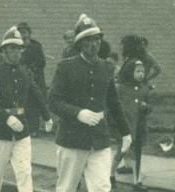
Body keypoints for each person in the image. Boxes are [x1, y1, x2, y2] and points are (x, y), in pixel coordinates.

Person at [48, 14, 131, 192]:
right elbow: (53, 101)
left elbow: (114, 102)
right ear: (79, 44)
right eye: (88, 41)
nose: (93, 45)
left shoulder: (107, 68)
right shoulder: (65, 67)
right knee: (67, 188)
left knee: (101, 187)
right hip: (72, 138)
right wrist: (78, 113)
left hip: (99, 138)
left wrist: (125, 132)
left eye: (97, 39)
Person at [0, 25, 49, 192]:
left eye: (19, 49)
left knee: (24, 172)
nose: (17, 52)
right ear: (4, 51)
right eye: (12, 49)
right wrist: (6, 118)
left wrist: (46, 116)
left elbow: (35, 92)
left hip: (22, 130)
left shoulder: (25, 72)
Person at [111, 60, 152, 191]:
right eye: (138, 71)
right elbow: (113, 106)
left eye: (143, 72)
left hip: (138, 125)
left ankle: (137, 181)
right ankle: (110, 174)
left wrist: (146, 107)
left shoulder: (144, 89)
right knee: (122, 151)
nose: (141, 74)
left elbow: (149, 106)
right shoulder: (120, 88)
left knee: (136, 153)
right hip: (124, 126)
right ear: (130, 72)